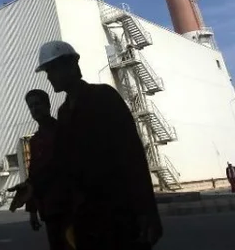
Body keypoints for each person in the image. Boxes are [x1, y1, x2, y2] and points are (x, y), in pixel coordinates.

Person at [36, 40, 162, 250]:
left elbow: (132, 155)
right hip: (87, 217)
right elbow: (61, 163)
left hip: (119, 212)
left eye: (52, 69)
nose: (49, 77)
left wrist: (147, 210)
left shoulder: (103, 98)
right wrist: (34, 185)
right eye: (47, 71)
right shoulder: (64, 113)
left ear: (71, 66)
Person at [9, 89, 71, 250]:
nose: (35, 109)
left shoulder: (63, 131)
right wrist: (32, 211)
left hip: (70, 207)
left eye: (37, 104)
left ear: (48, 105)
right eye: (31, 106)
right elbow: (33, 174)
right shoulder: (35, 141)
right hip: (49, 210)